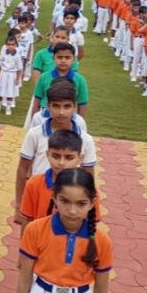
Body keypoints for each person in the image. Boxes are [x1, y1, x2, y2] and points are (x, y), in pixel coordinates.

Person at [16, 81, 97, 224]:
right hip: (38, 193)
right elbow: (23, 169)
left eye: (67, 106)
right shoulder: (35, 134)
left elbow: (89, 174)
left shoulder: (86, 139)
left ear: (74, 107)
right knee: (32, 237)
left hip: (71, 199)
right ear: (48, 106)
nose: (61, 112)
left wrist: (88, 210)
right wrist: (19, 205)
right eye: (56, 106)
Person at [19, 130, 101, 232]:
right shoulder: (33, 184)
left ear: (80, 158)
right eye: (56, 156)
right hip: (40, 244)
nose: (61, 163)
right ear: (47, 155)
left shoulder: (89, 189)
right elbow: (27, 222)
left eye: (69, 157)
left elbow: (92, 226)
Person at [30, 43, 89, 120]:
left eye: (67, 57)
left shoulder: (80, 80)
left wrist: (79, 123)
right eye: (59, 57)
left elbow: (82, 104)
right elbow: (37, 101)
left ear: (73, 59)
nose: (63, 60)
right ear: (53, 58)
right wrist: (33, 121)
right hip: (45, 117)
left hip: (68, 118)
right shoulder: (43, 77)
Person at [0, 35, 24, 116]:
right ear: (6, 45)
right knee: (0, 91)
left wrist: (18, 79)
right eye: (9, 44)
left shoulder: (17, 56)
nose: (11, 46)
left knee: (10, 92)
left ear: (16, 45)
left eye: (13, 44)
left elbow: (20, 69)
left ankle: (8, 107)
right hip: (3, 74)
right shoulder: (3, 54)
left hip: (12, 75)